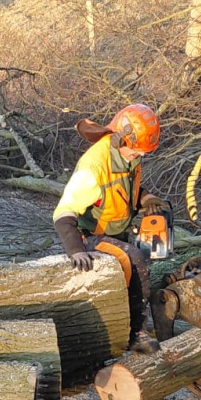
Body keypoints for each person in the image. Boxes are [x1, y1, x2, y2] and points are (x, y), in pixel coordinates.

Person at [53, 103, 162, 350]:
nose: (141, 154)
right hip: (91, 236)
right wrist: (76, 250)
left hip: (117, 231)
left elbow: (122, 190)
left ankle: (135, 310)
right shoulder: (93, 167)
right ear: (120, 138)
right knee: (134, 258)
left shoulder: (128, 157)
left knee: (152, 242)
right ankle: (137, 333)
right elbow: (63, 212)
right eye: (137, 149)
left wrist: (146, 199)